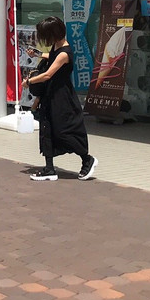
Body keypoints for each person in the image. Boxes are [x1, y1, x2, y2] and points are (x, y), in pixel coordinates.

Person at [22, 17, 97, 180]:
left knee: (64, 131)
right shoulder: (57, 45)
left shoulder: (65, 52)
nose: (43, 39)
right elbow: (52, 56)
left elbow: (48, 74)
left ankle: (87, 159)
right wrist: (38, 54)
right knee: (47, 129)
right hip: (51, 95)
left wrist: (29, 81)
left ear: (52, 34)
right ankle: (49, 169)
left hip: (62, 97)